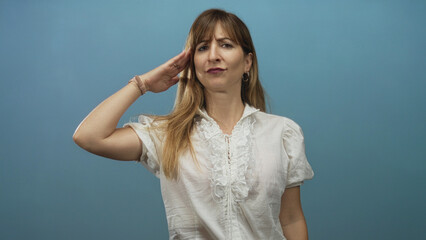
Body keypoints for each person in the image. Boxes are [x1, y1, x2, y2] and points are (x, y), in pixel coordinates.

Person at [73, 8, 314, 240]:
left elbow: (291, 219)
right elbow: (89, 136)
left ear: (247, 62)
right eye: (202, 47)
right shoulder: (168, 135)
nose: (213, 56)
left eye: (226, 44)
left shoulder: (283, 133)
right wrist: (143, 83)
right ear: (192, 62)